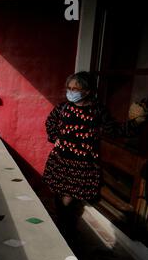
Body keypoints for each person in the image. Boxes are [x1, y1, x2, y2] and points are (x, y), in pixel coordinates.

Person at [42, 71, 146, 242]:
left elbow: (115, 131)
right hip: (60, 161)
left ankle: (65, 234)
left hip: (82, 165)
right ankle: (62, 230)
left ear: (88, 91)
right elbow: (50, 122)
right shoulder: (63, 108)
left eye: (76, 88)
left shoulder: (98, 110)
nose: (71, 91)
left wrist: (136, 123)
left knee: (69, 199)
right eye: (69, 88)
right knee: (60, 197)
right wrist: (56, 137)